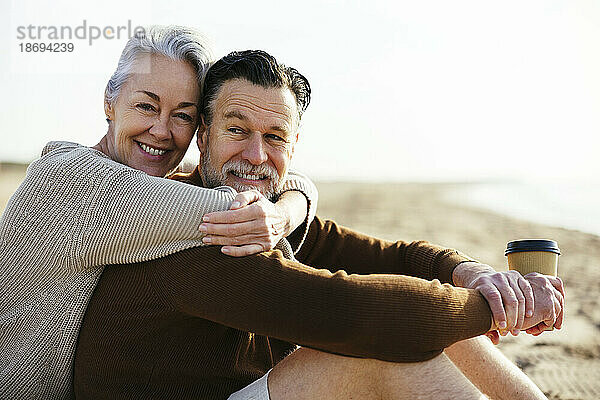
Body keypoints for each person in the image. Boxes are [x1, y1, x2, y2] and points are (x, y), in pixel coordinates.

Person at [73, 49, 564, 399]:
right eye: (237, 131)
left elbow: (395, 256)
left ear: (295, 144)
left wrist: (473, 274)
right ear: (203, 135)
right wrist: (494, 308)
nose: (255, 155)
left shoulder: (264, 215)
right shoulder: (190, 227)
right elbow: (361, 315)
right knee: (382, 343)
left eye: (275, 137)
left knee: (425, 307)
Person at [0, 27, 319, 399]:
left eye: (182, 115)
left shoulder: (151, 191)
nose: (162, 130)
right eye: (147, 106)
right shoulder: (71, 181)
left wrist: (288, 208)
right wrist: (287, 208)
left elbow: (274, 185)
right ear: (110, 100)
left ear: (197, 129)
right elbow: (240, 206)